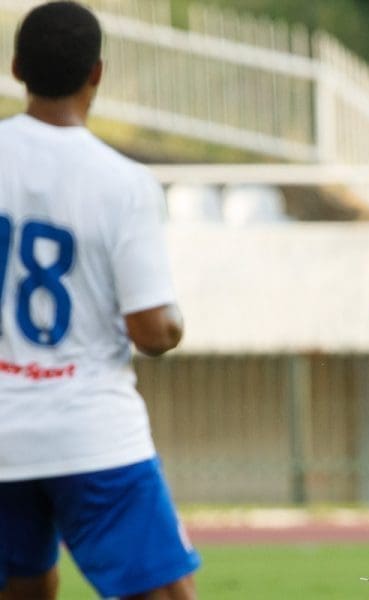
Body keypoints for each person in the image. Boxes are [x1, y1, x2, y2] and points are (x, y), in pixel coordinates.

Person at [0, 2, 199, 599]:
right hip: (88, 428)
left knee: (25, 587)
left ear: (16, 68)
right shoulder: (122, 182)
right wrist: (175, 322)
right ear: (97, 74)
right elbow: (152, 332)